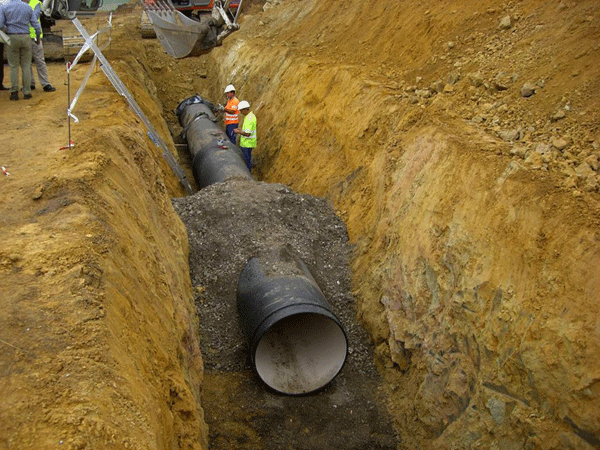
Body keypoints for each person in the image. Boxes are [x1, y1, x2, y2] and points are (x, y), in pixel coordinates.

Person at [0, 0, 41, 100]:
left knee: (13, 66)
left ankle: (14, 91)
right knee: (26, 65)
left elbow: (0, 25)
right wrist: (38, 36)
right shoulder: (27, 7)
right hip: (25, 37)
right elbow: (35, 23)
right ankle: (27, 92)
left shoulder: (4, 7)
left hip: (12, 37)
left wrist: (7, 29)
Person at [28, 0, 55, 92]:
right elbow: (35, 18)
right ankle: (44, 84)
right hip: (33, 36)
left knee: (28, 61)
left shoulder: (34, 3)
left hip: (28, 36)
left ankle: (32, 83)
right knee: (38, 60)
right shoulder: (36, 3)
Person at [234, 100, 257, 171]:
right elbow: (247, 130)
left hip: (247, 144)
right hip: (247, 143)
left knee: (247, 163)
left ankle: (248, 177)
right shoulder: (249, 116)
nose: (241, 112)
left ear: (245, 109)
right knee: (247, 160)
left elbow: (247, 134)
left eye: (241, 111)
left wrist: (238, 132)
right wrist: (241, 130)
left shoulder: (250, 119)